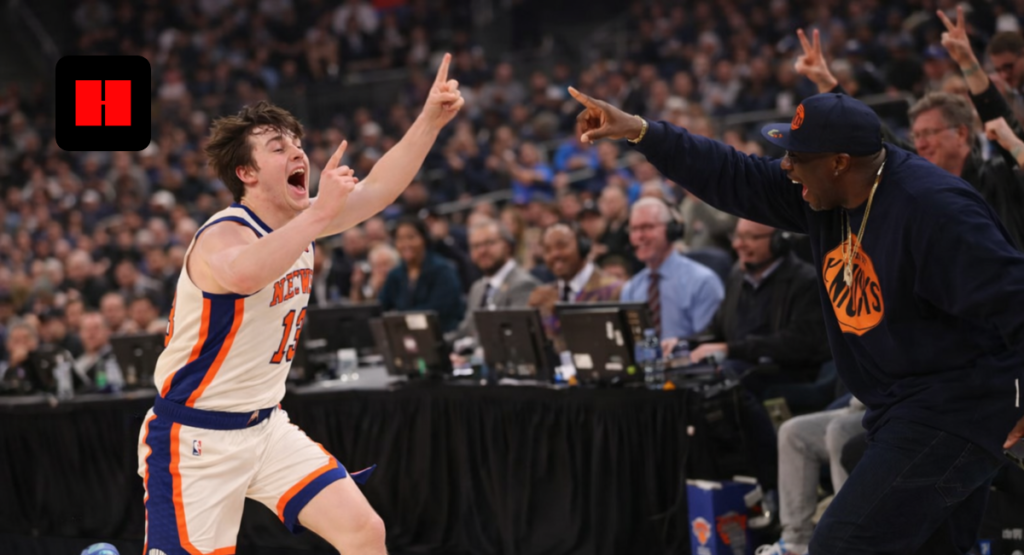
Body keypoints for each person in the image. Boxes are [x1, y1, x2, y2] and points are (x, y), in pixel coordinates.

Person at [568, 77, 1024, 554]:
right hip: (904, 403)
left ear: (839, 162)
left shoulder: (933, 210)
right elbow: (733, 174)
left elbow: (1013, 297)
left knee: (840, 545)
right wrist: (642, 131)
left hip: (955, 407)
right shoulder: (821, 193)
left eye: (795, 159)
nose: (785, 168)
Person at [139, 54, 462, 555]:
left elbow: (378, 190)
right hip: (194, 437)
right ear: (246, 171)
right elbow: (244, 274)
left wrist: (430, 121)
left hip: (266, 426)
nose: (297, 153)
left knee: (363, 530)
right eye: (277, 146)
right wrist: (319, 216)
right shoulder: (222, 233)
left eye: (297, 143)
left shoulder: (305, 216)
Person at [795, 19, 1024, 250]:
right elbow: (878, 135)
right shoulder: (921, 178)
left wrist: (967, 62)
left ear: (961, 133)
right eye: (917, 136)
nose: (921, 144)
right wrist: (828, 83)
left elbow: (1002, 124)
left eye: (929, 133)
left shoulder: (999, 176)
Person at [663, 218, 831, 406]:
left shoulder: (806, 281)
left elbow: (797, 343)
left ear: (779, 240)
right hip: (739, 364)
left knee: (723, 380)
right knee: (674, 374)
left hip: (782, 373)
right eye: (736, 236)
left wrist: (729, 349)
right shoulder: (737, 277)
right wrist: (684, 343)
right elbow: (716, 330)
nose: (737, 245)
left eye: (749, 237)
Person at [619, 197, 724, 342]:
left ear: (671, 230)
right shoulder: (630, 289)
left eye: (647, 227)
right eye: (634, 229)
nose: (639, 236)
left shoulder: (702, 282)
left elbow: (708, 342)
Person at [528, 222, 623, 350]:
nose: (554, 254)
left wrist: (558, 313)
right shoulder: (544, 296)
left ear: (583, 246)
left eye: (561, 246)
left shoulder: (613, 290)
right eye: (547, 250)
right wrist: (530, 319)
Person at [454, 218, 540, 344]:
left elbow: (513, 336)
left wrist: (469, 348)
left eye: (489, 243)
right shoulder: (477, 288)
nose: (482, 251)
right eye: (475, 246)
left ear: (508, 246)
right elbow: (465, 330)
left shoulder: (523, 284)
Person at [378, 216, 466, 333]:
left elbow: (438, 312)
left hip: (443, 336)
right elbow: (380, 306)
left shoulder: (443, 270)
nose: (405, 244)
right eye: (400, 239)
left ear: (424, 239)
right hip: (406, 337)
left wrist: (399, 319)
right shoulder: (395, 274)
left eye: (411, 237)